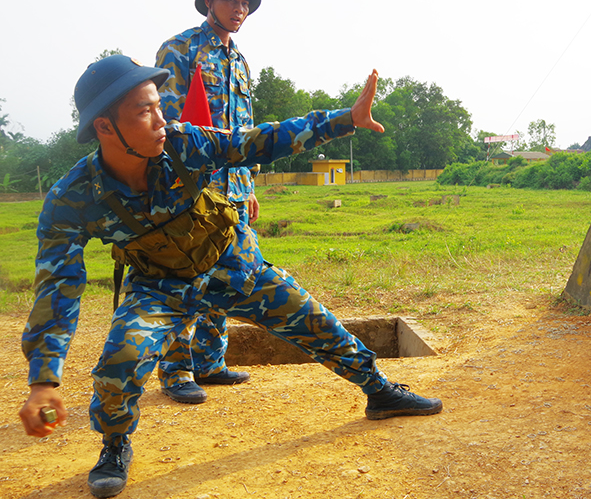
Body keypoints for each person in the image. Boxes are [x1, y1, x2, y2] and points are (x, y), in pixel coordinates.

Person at [18, 55, 443, 499]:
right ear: (105, 128)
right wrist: (43, 381)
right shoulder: (73, 198)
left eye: (159, 105)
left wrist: (342, 121)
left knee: (318, 324)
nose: (162, 120)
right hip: (159, 288)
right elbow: (57, 290)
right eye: (144, 112)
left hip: (230, 267)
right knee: (118, 365)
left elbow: (255, 142)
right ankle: (114, 443)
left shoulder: (184, 144)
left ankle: (380, 393)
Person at [152, 0, 263, 404]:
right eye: (231, 0)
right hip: (194, 188)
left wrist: (249, 184)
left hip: (234, 189)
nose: (239, 10)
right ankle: (176, 371)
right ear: (209, 1)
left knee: (229, 278)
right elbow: (168, 123)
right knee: (187, 277)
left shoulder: (240, 61)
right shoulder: (180, 49)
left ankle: (209, 362)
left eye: (245, 4)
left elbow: (245, 132)